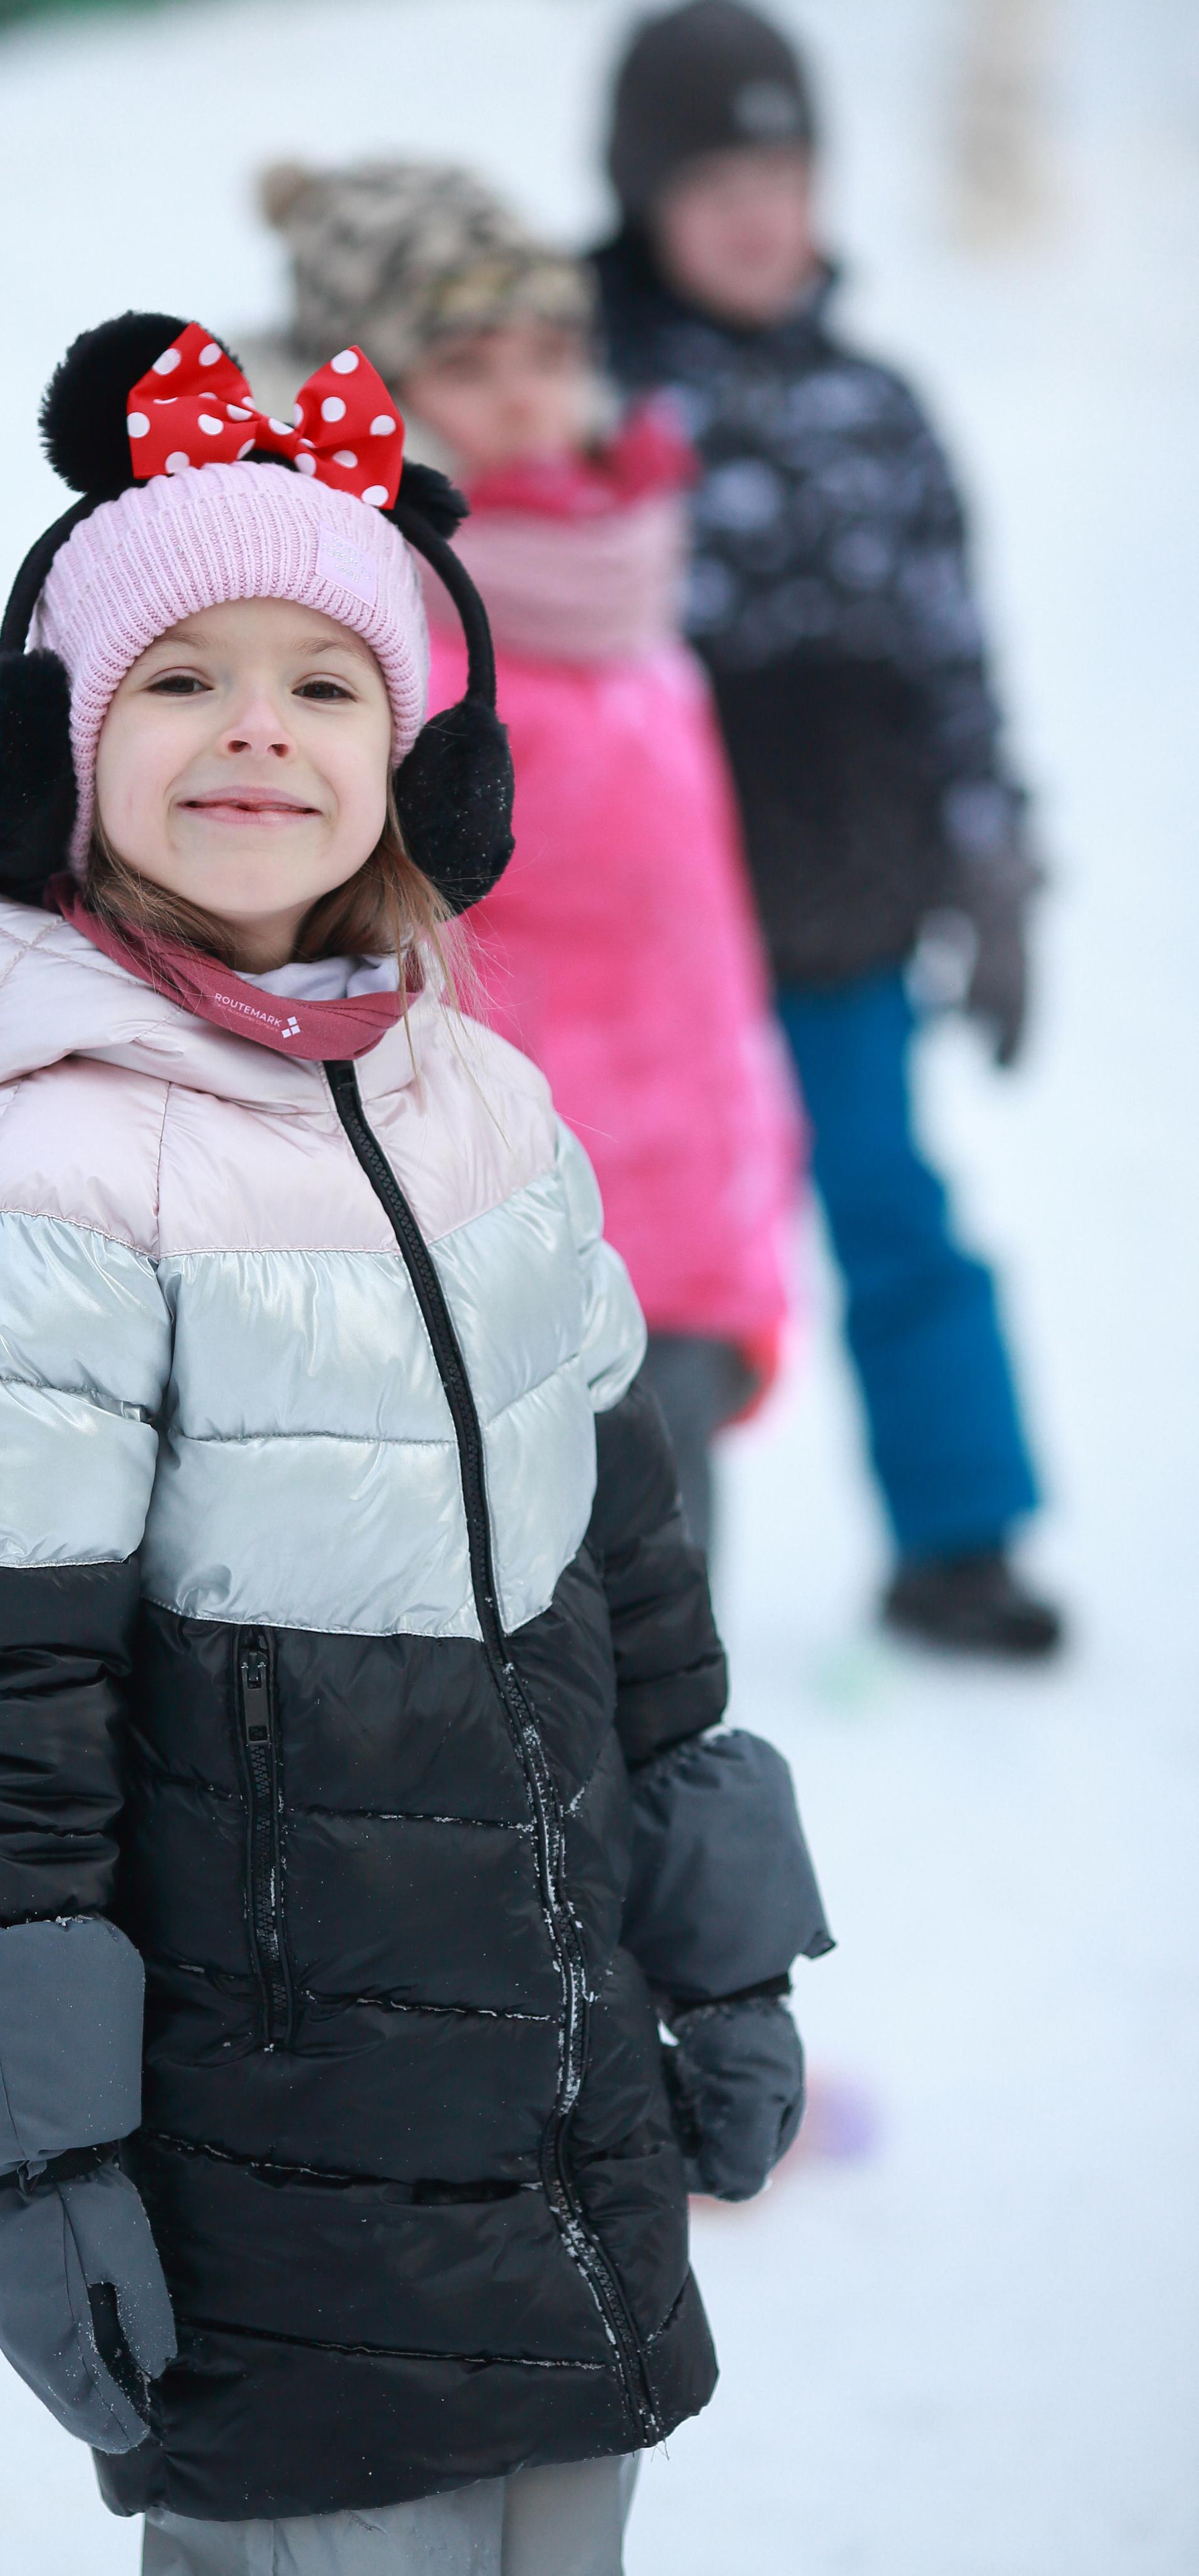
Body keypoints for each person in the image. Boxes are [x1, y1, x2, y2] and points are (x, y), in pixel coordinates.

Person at [0, 310, 832, 2572]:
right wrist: (40, 2156)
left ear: (419, 757)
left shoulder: (478, 1096)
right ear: (55, 754)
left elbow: (637, 1562)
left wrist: (725, 1941)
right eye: (180, 681)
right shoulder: (36, 1178)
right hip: (268, 2171)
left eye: (324, 682)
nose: (256, 735)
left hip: (557, 2109)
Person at [592, 0, 1064, 1658]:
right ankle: (604, 1581)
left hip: (847, 923)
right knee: (633, 1274)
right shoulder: (595, 409)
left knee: (893, 1215)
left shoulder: (880, 412)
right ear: (642, 200)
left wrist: (993, 860)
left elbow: (954, 662)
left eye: (782, 172)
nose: (753, 213)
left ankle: (960, 1539)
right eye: (713, 178)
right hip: (650, 952)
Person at [260, 160, 800, 1554]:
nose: (522, 397)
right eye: (466, 362)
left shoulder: (633, 618)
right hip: (474, 1250)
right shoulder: (371, 637)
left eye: (552, 354)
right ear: (376, 393)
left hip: (674, 1228)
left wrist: (746, 1222)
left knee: (668, 1667)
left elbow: (703, 951)